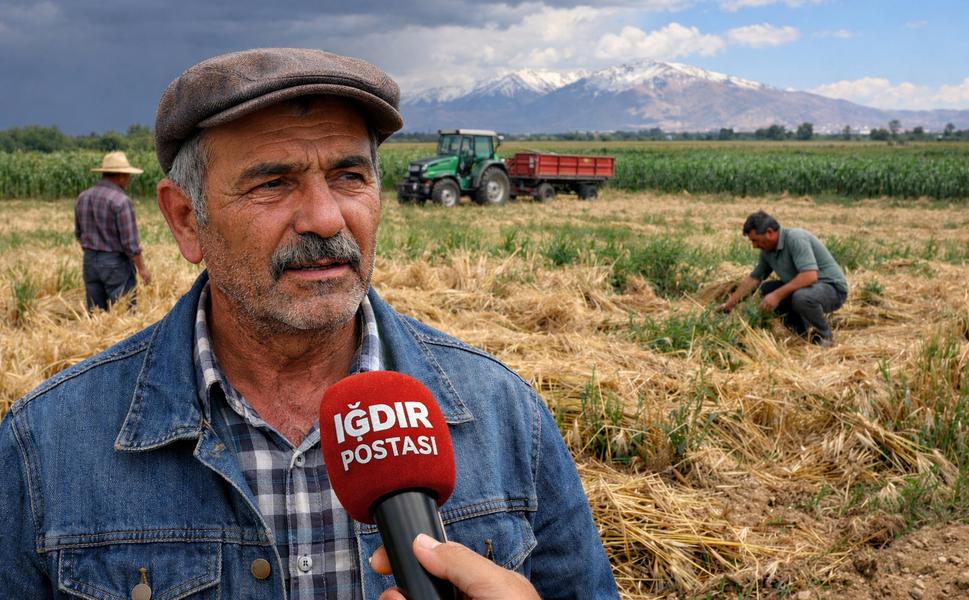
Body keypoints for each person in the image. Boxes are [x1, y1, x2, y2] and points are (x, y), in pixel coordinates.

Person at [0, 49, 618, 600]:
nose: (326, 218)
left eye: (349, 176)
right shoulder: (44, 449)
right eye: (274, 183)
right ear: (187, 220)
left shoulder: (507, 415)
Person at [716, 210, 849, 346]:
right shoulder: (767, 251)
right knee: (767, 288)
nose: (754, 246)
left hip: (833, 290)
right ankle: (802, 332)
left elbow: (810, 276)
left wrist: (777, 295)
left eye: (755, 240)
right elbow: (754, 279)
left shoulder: (795, 238)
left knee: (801, 296)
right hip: (809, 289)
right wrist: (730, 303)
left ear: (770, 232)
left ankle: (824, 336)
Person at [74, 151, 152, 311]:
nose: (129, 180)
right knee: (124, 314)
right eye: (127, 176)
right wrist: (142, 269)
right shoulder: (121, 201)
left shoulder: (83, 197)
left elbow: (78, 234)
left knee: (96, 315)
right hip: (115, 264)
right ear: (120, 176)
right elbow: (130, 243)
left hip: (89, 262)